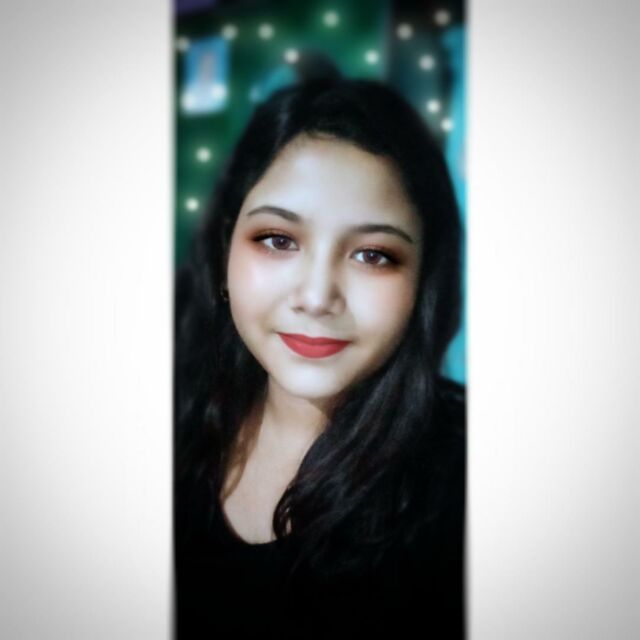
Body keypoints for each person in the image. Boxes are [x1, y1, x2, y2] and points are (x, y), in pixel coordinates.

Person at [174, 77, 466, 639]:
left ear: (424, 281)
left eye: (373, 255)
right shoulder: (173, 415)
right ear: (226, 247)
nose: (315, 296)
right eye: (278, 239)